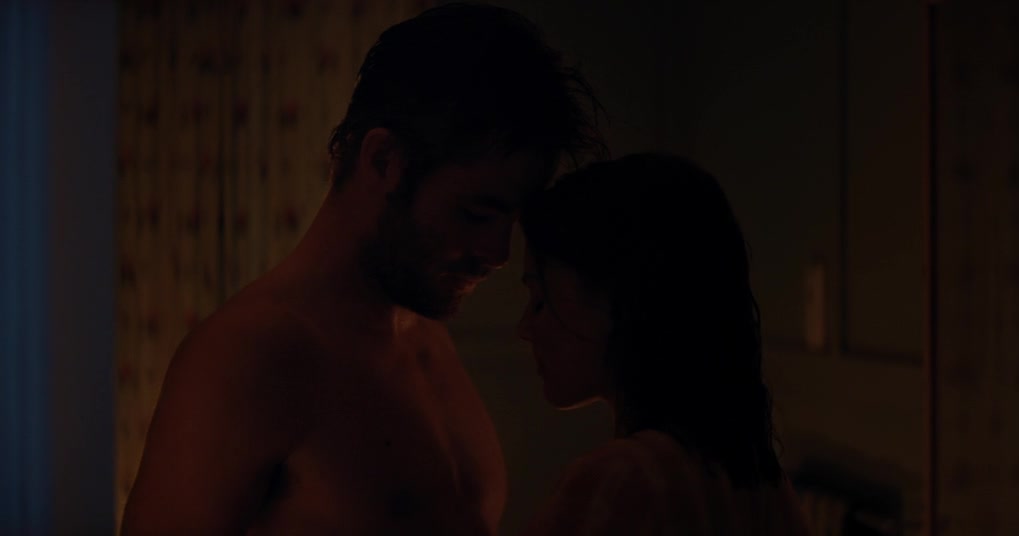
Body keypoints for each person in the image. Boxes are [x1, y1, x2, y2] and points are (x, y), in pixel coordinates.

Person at [121, 4, 603, 534]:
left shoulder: (422, 330)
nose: (499, 251)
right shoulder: (249, 355)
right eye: (475, 214)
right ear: (383, 161)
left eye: (511, 219)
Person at [516, 154, 810, 535]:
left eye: (541, 300)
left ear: (618, 300)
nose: (525, 328)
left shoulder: (622, 483)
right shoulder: (763, 482)